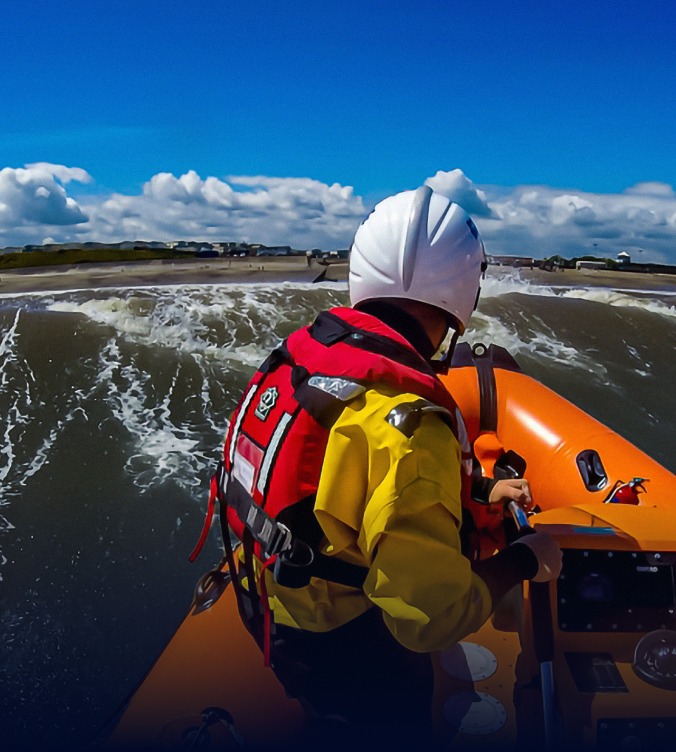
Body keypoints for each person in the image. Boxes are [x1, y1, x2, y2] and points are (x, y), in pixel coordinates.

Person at [202, 186, 560, 743]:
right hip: (342, 644)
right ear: (463, 295)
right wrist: (521, 561)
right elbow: (428, 620)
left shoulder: (302, 356)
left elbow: (336, 482)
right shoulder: (411, 424)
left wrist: (481, 492)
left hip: (267, 598)